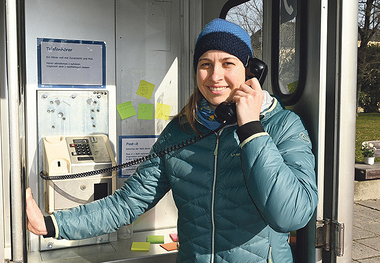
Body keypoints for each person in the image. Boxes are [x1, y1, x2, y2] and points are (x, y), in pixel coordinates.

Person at [26, 18, 318, 262]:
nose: (215, 76)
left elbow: (291, 215)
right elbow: (127, 203)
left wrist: (252, 130)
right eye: (205, 64)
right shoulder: (180, 132)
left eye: (228, 63)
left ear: (250, 70)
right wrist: (52, 224)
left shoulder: (283, 126)